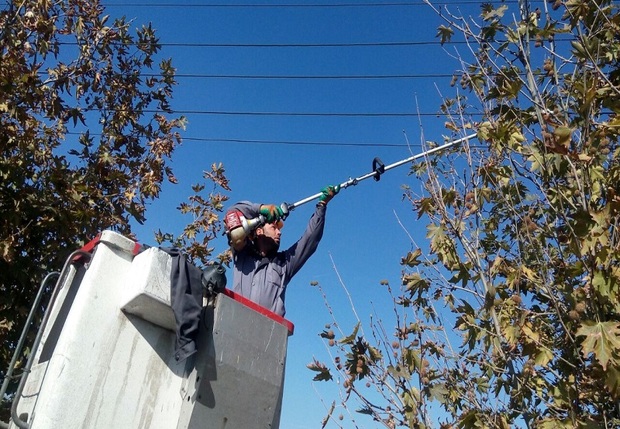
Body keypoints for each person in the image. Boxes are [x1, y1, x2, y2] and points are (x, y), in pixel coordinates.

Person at [225, 185, 340, 316]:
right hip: (235, 325)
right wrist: (261, 208)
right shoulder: (242, 252)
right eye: (274, 228)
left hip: (269, 332)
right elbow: (232, 212)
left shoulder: (284, 264)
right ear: (259, 231)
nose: (279, 233)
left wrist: (322, 204)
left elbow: (310, 240)